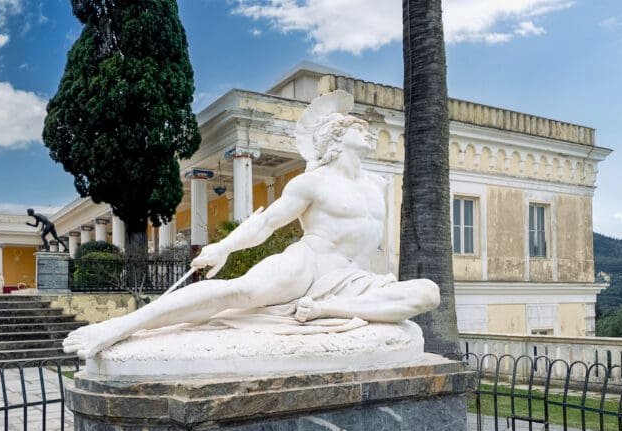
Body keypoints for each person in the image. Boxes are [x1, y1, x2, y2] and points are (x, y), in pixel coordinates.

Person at [63, 90, 441, 359]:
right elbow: (268, 224)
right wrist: (223, 247)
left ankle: (328, 312)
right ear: (336, 138)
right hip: (310, 264)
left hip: (356, 281)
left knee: (427, 293)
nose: (369, 131)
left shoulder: (378, 185)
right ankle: (121, 326)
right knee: (238, 292)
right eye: (359, 127)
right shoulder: (311, 182)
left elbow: (376, 246)